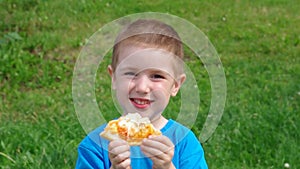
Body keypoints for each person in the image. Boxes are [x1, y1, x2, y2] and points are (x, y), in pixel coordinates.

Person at [76, 19, 208, 169]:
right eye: (131, 73)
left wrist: (167, 167)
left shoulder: (184, 143)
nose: (142, 87)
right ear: (114, 78)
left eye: (157, 76)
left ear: (176, 85)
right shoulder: (95, 146)